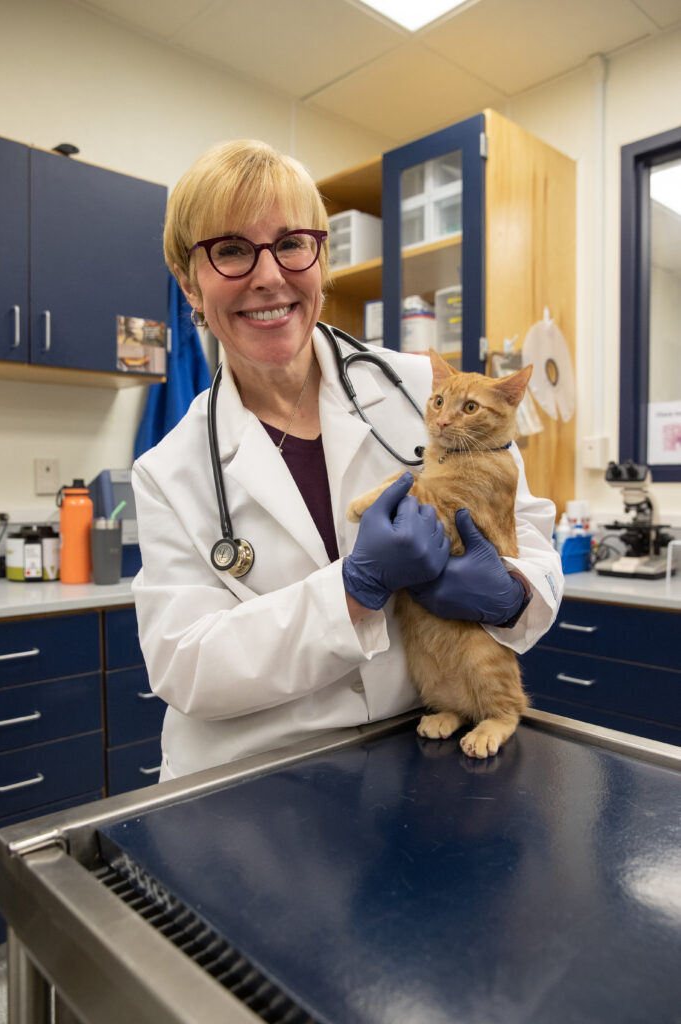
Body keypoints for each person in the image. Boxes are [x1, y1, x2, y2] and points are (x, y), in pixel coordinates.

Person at [132, 139, 563, 781]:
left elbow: (527, 534)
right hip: (250, 783)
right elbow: (185, 667)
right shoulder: (169, 471)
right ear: (190, 284)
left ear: (321, 260)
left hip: (414, 757)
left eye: (292, 243)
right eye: (230, 250)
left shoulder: (427, 389)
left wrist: (511, 594)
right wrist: (352, 592)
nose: (269, 276)